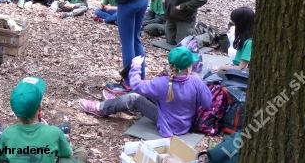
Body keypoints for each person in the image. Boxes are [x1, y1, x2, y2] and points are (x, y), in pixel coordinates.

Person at [79, 47, 212, 138]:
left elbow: (136, 85)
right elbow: (207, 103)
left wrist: (136, 65)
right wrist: (199, 84)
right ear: (189, 67)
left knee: (134, 98)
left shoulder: (162, 83)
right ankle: (115, 102)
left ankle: (100, 108)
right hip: (184, 125)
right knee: (148, 90)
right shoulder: (196, 82)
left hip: (166, 124)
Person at [0, 76, 87, 163]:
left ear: (14, 110)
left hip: (8, 143)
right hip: (52, 135)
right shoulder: (54, 132)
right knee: (81, 152)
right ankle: (61, 142)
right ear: (40, 108)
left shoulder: (8, 133)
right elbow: (68, 154)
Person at [204, 7, 254, 83]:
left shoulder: (249, 43)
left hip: (237, 73)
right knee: (208, 74)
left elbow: (242, 68)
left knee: (205, 81)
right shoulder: (246, 39)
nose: (234, 25)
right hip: (233, 66)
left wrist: (223, 67)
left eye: (235, 23)